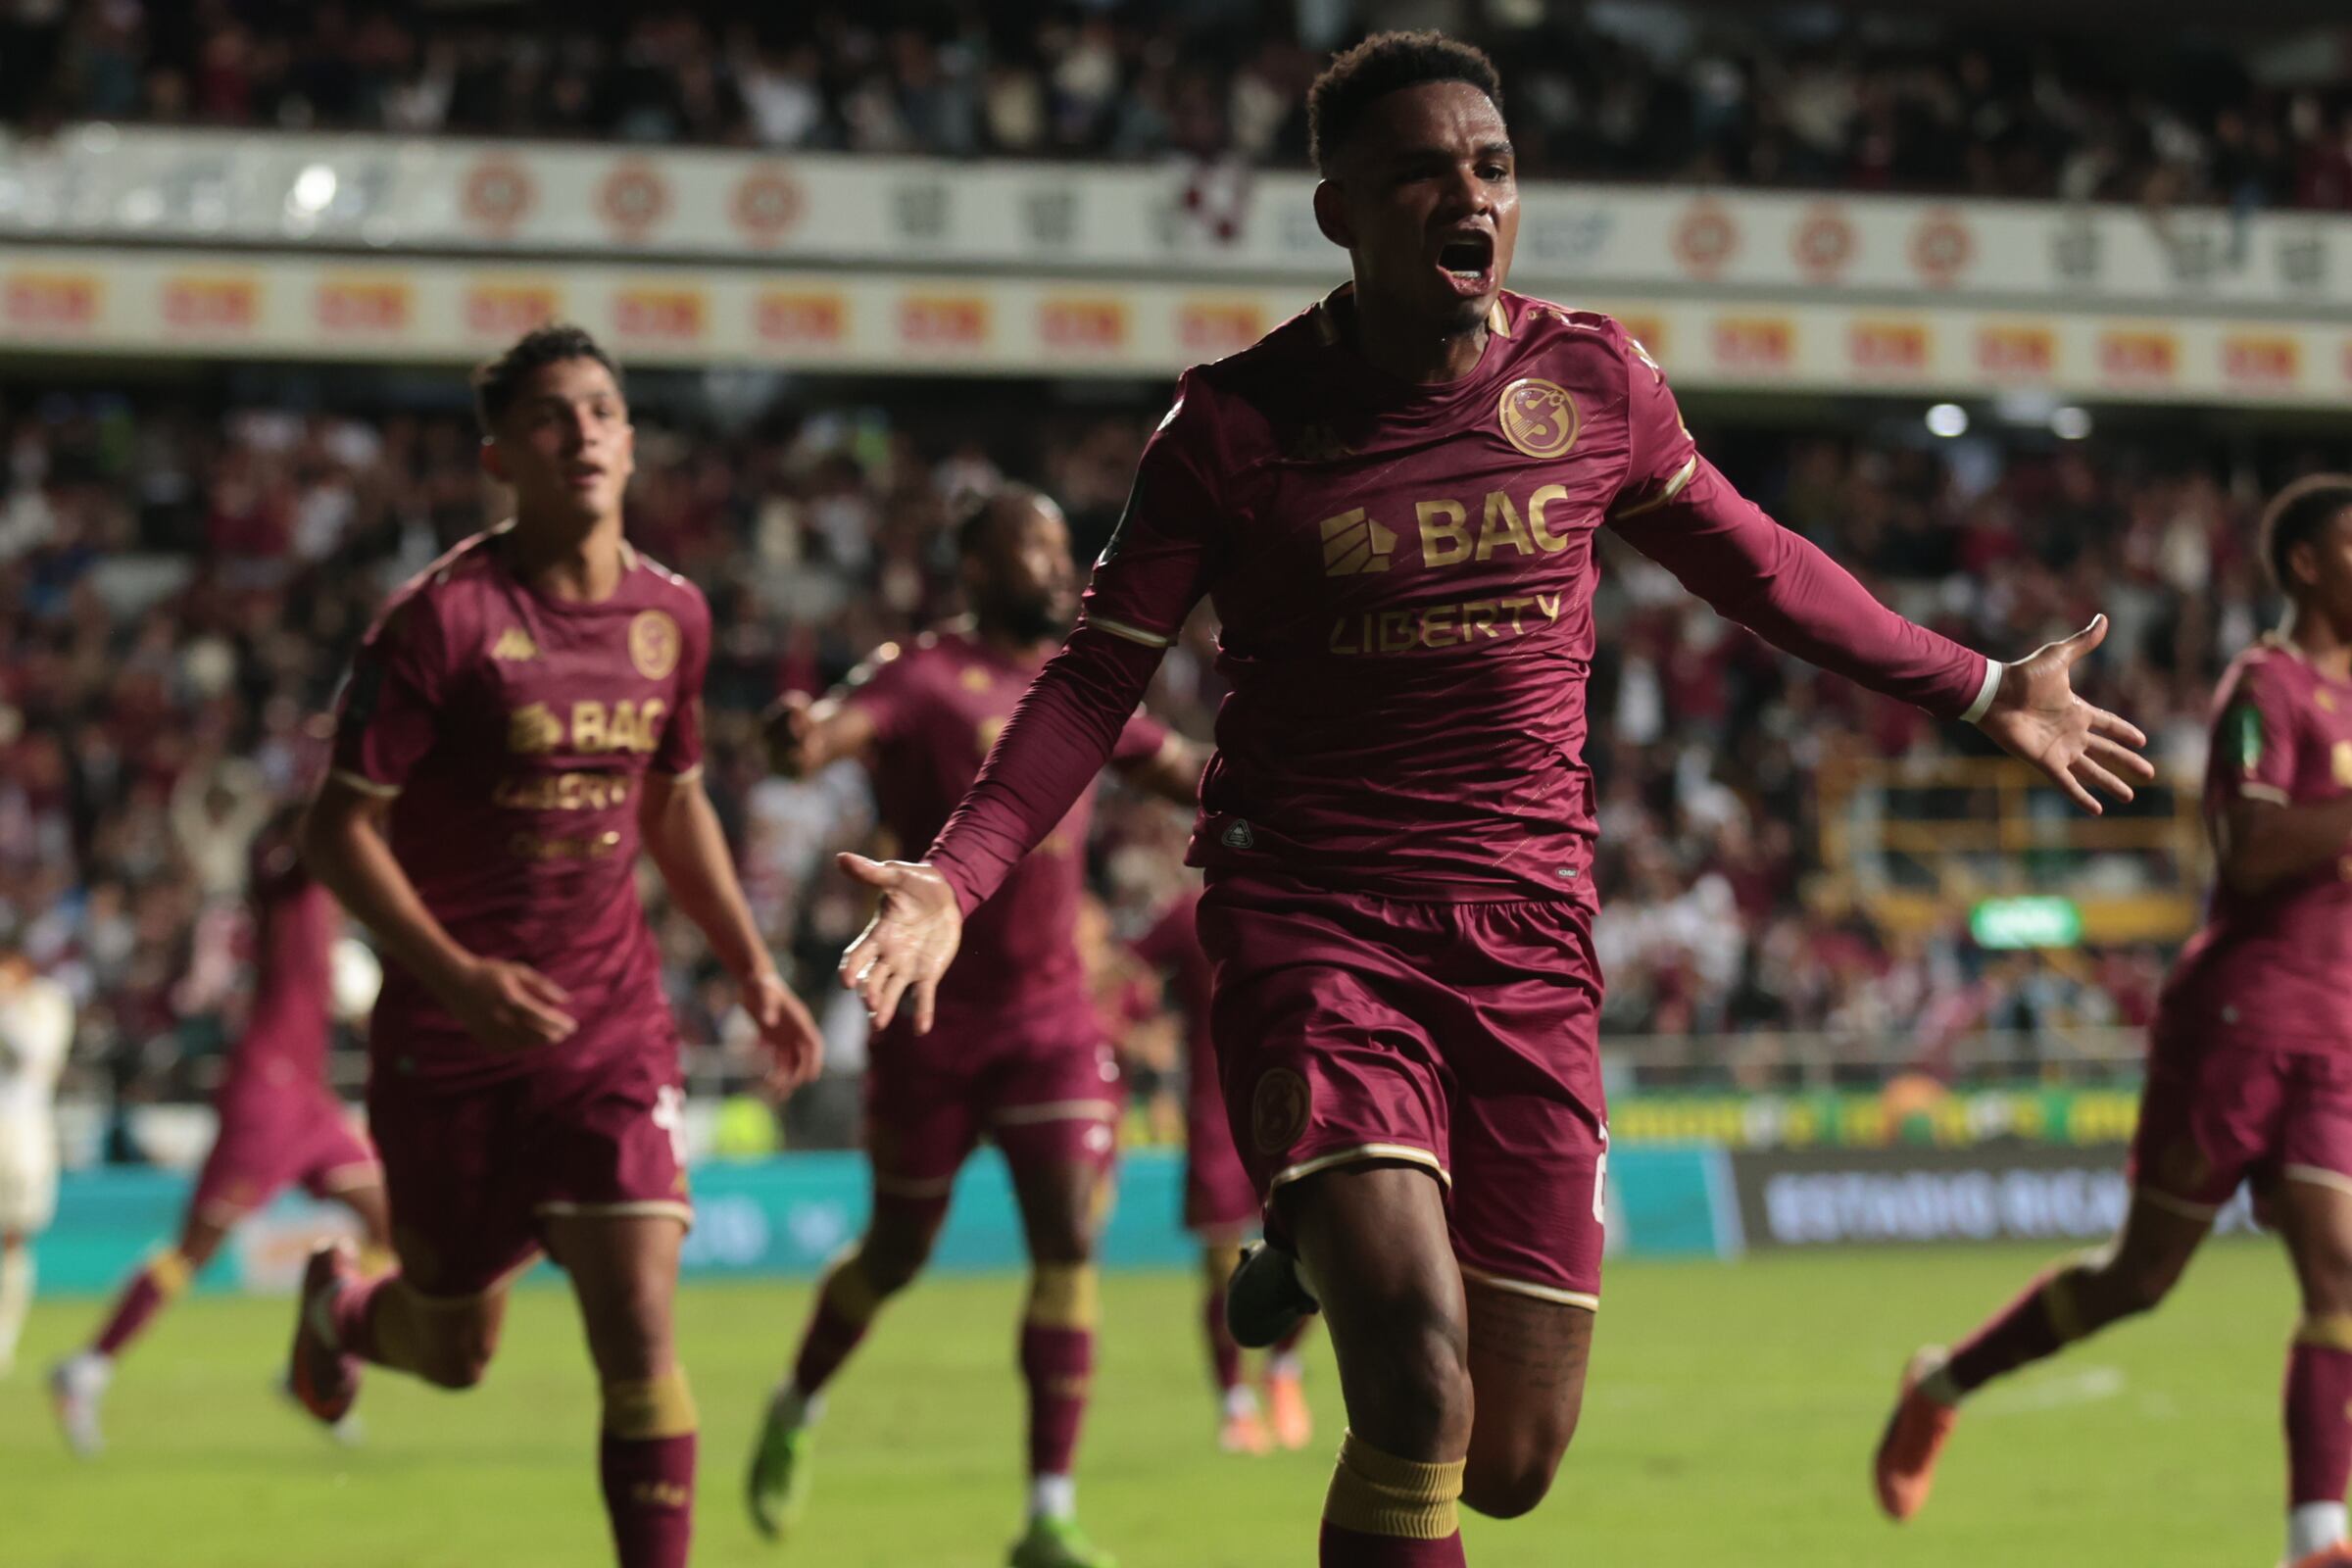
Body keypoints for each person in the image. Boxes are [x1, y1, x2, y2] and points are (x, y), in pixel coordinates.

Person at [830, 31, 2153, 1567]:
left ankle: (1310, 1251)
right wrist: (955, 874)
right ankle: (1342, 1240)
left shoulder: (1592, 380)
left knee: (1510, 1461)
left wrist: (1985, 688)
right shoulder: (1233, 429)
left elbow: (1766, 572)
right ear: (1340, 212)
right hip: (1309, 913)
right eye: (1422, 171)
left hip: (1527, 932)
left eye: (1493, 166)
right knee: (1417, 1376)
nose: (1469, 192)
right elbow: (1090, 682)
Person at [292, 323, 822, 1568]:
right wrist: (459, 978)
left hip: (611, 1026)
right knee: (454, 1349)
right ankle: (342, 1310)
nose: (582, 432)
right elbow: (334, 834)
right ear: (498, 456)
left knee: (640, 1327)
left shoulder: (674, 615)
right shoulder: (439, 621)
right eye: (549, 417)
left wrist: (749, 964)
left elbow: (673, 796)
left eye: (601, 410)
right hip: (450, 1040)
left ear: (631, 442)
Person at [1875, 475, 2352, 1568]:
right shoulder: (2264, 688)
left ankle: (2316, 1538)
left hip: (2337, 1036)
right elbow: (2252, 849)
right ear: (2309, 565)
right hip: (2239, 1019)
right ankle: (1940, 1381)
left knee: (2342, 1278)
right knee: (2139, 1277)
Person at [747, 485, 1204, 1568]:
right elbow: (823, 740)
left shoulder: (1083, 679)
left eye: (1060, 548)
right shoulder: (922, 674)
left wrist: (1291, 786)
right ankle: (796, 1400)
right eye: (1030, 551)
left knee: (1069, 1241)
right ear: (977, 569)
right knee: (898, 1252)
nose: (1057, 567)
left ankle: (1048, 1510)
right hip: (933, 1014)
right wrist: (792, 743)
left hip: (1051, 1013)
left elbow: (1183, 767)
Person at [51, 808, 391, 1455]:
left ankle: (315, 1366)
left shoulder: (328, 901)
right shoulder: (288, 885)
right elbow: (279, 839)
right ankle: (87, 1367)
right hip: (263, 1097)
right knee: (194, 1252)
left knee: (389, 1225)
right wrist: (327, 793)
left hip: (311, 1100)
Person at [1130, 878, 1315, 1455]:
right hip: (1217, 1114)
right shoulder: (1187, 912)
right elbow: (1125, 974)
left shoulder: (1302, 893)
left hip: (1300, 1101)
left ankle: (1283, 1368)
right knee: (1218, 1264)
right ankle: (1234, 1403)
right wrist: (1136, 1029)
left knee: (1320, 1252)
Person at [0, 934, 73, 1381]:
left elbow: (35, 1055)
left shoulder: (46, 1001)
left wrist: (6, 1004)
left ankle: (3, 1337)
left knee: (12, 1239)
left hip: (22, 1140)